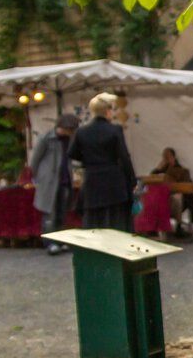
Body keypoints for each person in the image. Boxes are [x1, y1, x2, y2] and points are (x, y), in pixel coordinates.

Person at [68, 93, 137, 231]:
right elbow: (124, 156)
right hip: (113, 181)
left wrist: (88, 160)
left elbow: (72, 153)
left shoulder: (82, 132)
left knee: (93, 220)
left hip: (92, 179)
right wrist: (132, 180)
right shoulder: (115, 130)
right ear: (108, 111)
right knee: (114, 220)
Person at [30, 113, 80, 254]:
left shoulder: (69, 140)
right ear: (63, 127)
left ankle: (60, 241)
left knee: (62, 213)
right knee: (49, 214)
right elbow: (35, 160)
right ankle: (49, 242)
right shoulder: (46, 138)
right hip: (49, 182)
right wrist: (38, 177)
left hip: (65, 180)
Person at [152, 147, 193, 234]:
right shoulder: (160, 171)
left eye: (168, 156)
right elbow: (152, 179)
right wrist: (157, 169)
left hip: (178, 197)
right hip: (162, 196)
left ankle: (179, 225)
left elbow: (186, 185)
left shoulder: (182, 170)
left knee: (177, 197)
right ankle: (152, 226)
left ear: (173, 157)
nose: (165, 159)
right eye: (164, 157)